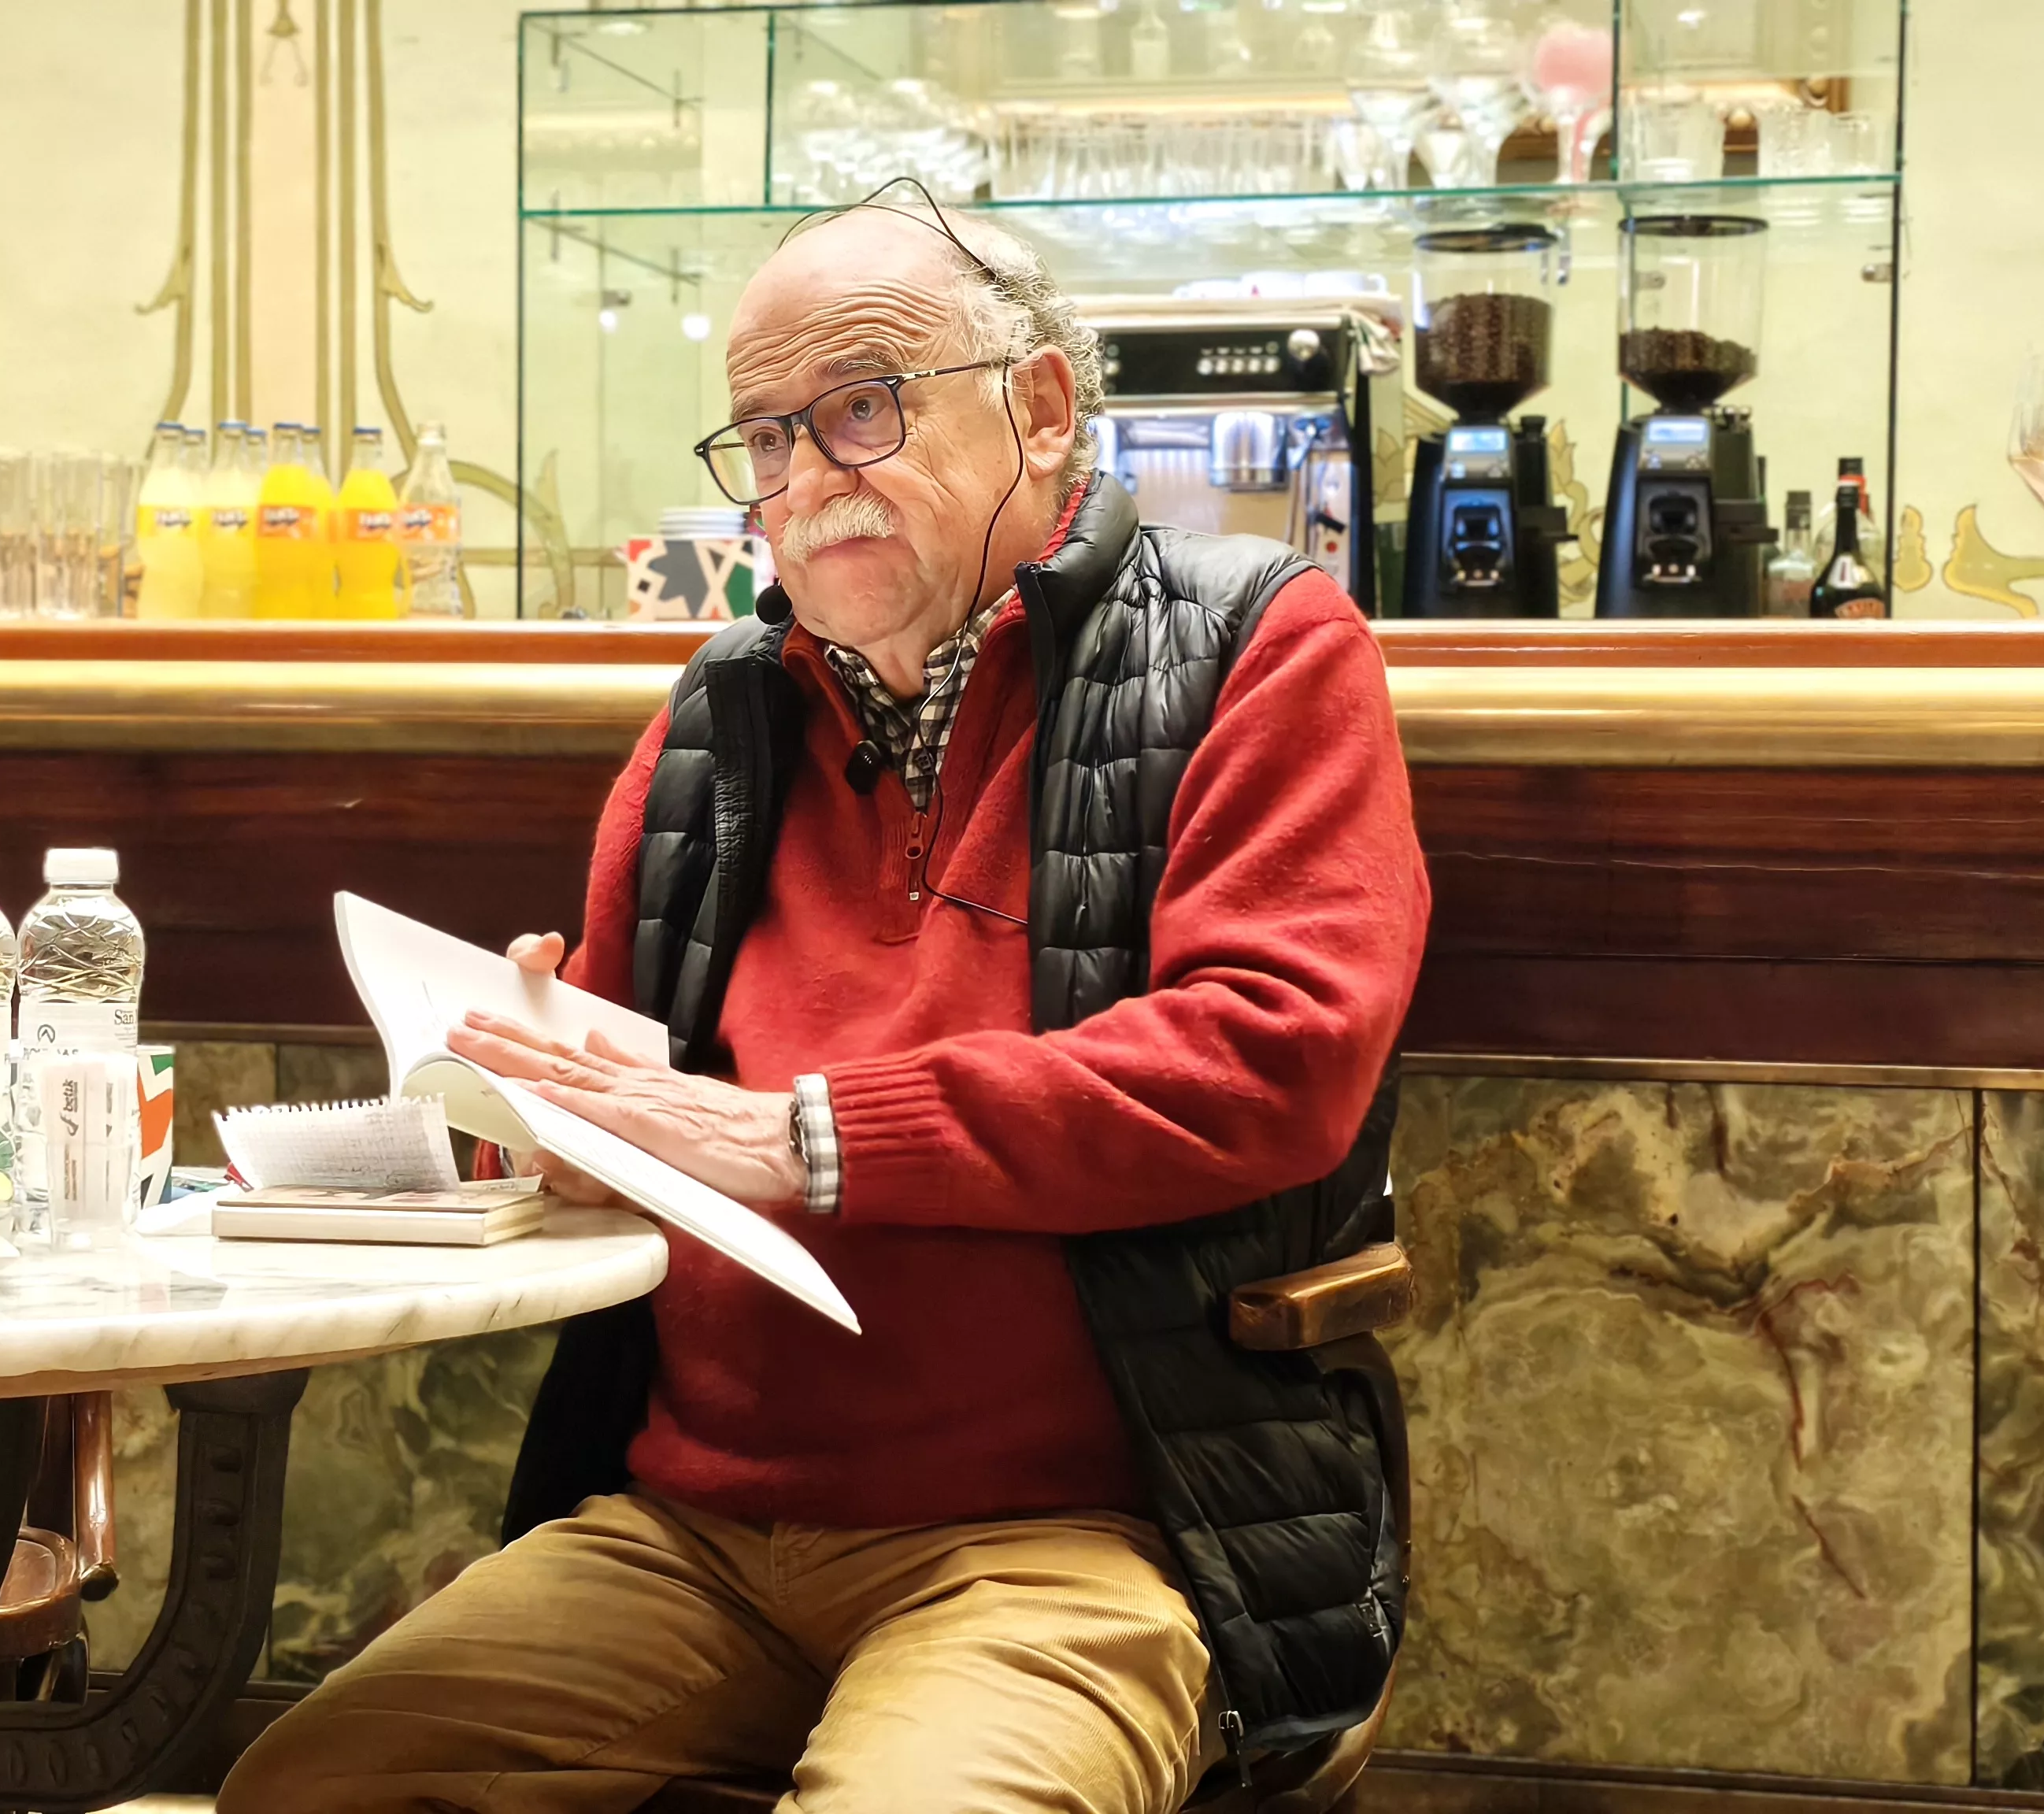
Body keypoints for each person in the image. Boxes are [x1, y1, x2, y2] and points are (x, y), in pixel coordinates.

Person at [225, 191, 1430, 1814]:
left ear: (1040, 408)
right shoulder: (719, 716)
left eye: (861, 409)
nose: (804, 481)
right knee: (315, 1788)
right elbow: (639, 1104)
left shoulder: (1253, 647)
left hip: (1072, 1537)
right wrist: (552, 1112)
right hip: (691, 1534)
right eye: (765, 438)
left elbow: (1268, 1060)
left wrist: (801, 1137)